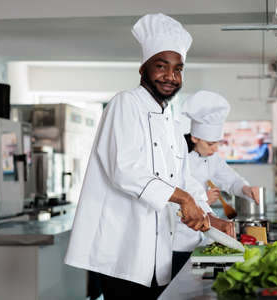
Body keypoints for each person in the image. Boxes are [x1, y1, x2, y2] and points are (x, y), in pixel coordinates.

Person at [64, 14, 212, 300]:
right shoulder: (124, 104)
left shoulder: (169, 119)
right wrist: (184, 199)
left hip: (158, 251)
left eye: (178, 69)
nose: (171, 76)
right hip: (122, 249)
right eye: (162, 66)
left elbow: (183, 177)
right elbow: (125, 169)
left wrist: (208, 215)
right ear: (143, 67)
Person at [171, 91, 260, 278]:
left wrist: (246, 189)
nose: (215, 149)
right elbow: (176, 197)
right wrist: (205, 200)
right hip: (175, 239)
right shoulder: (180, 158)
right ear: (195, 138)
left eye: (217, 143)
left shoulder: (212, 158)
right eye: (211, 144)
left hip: (199, 235)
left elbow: (231, 179)